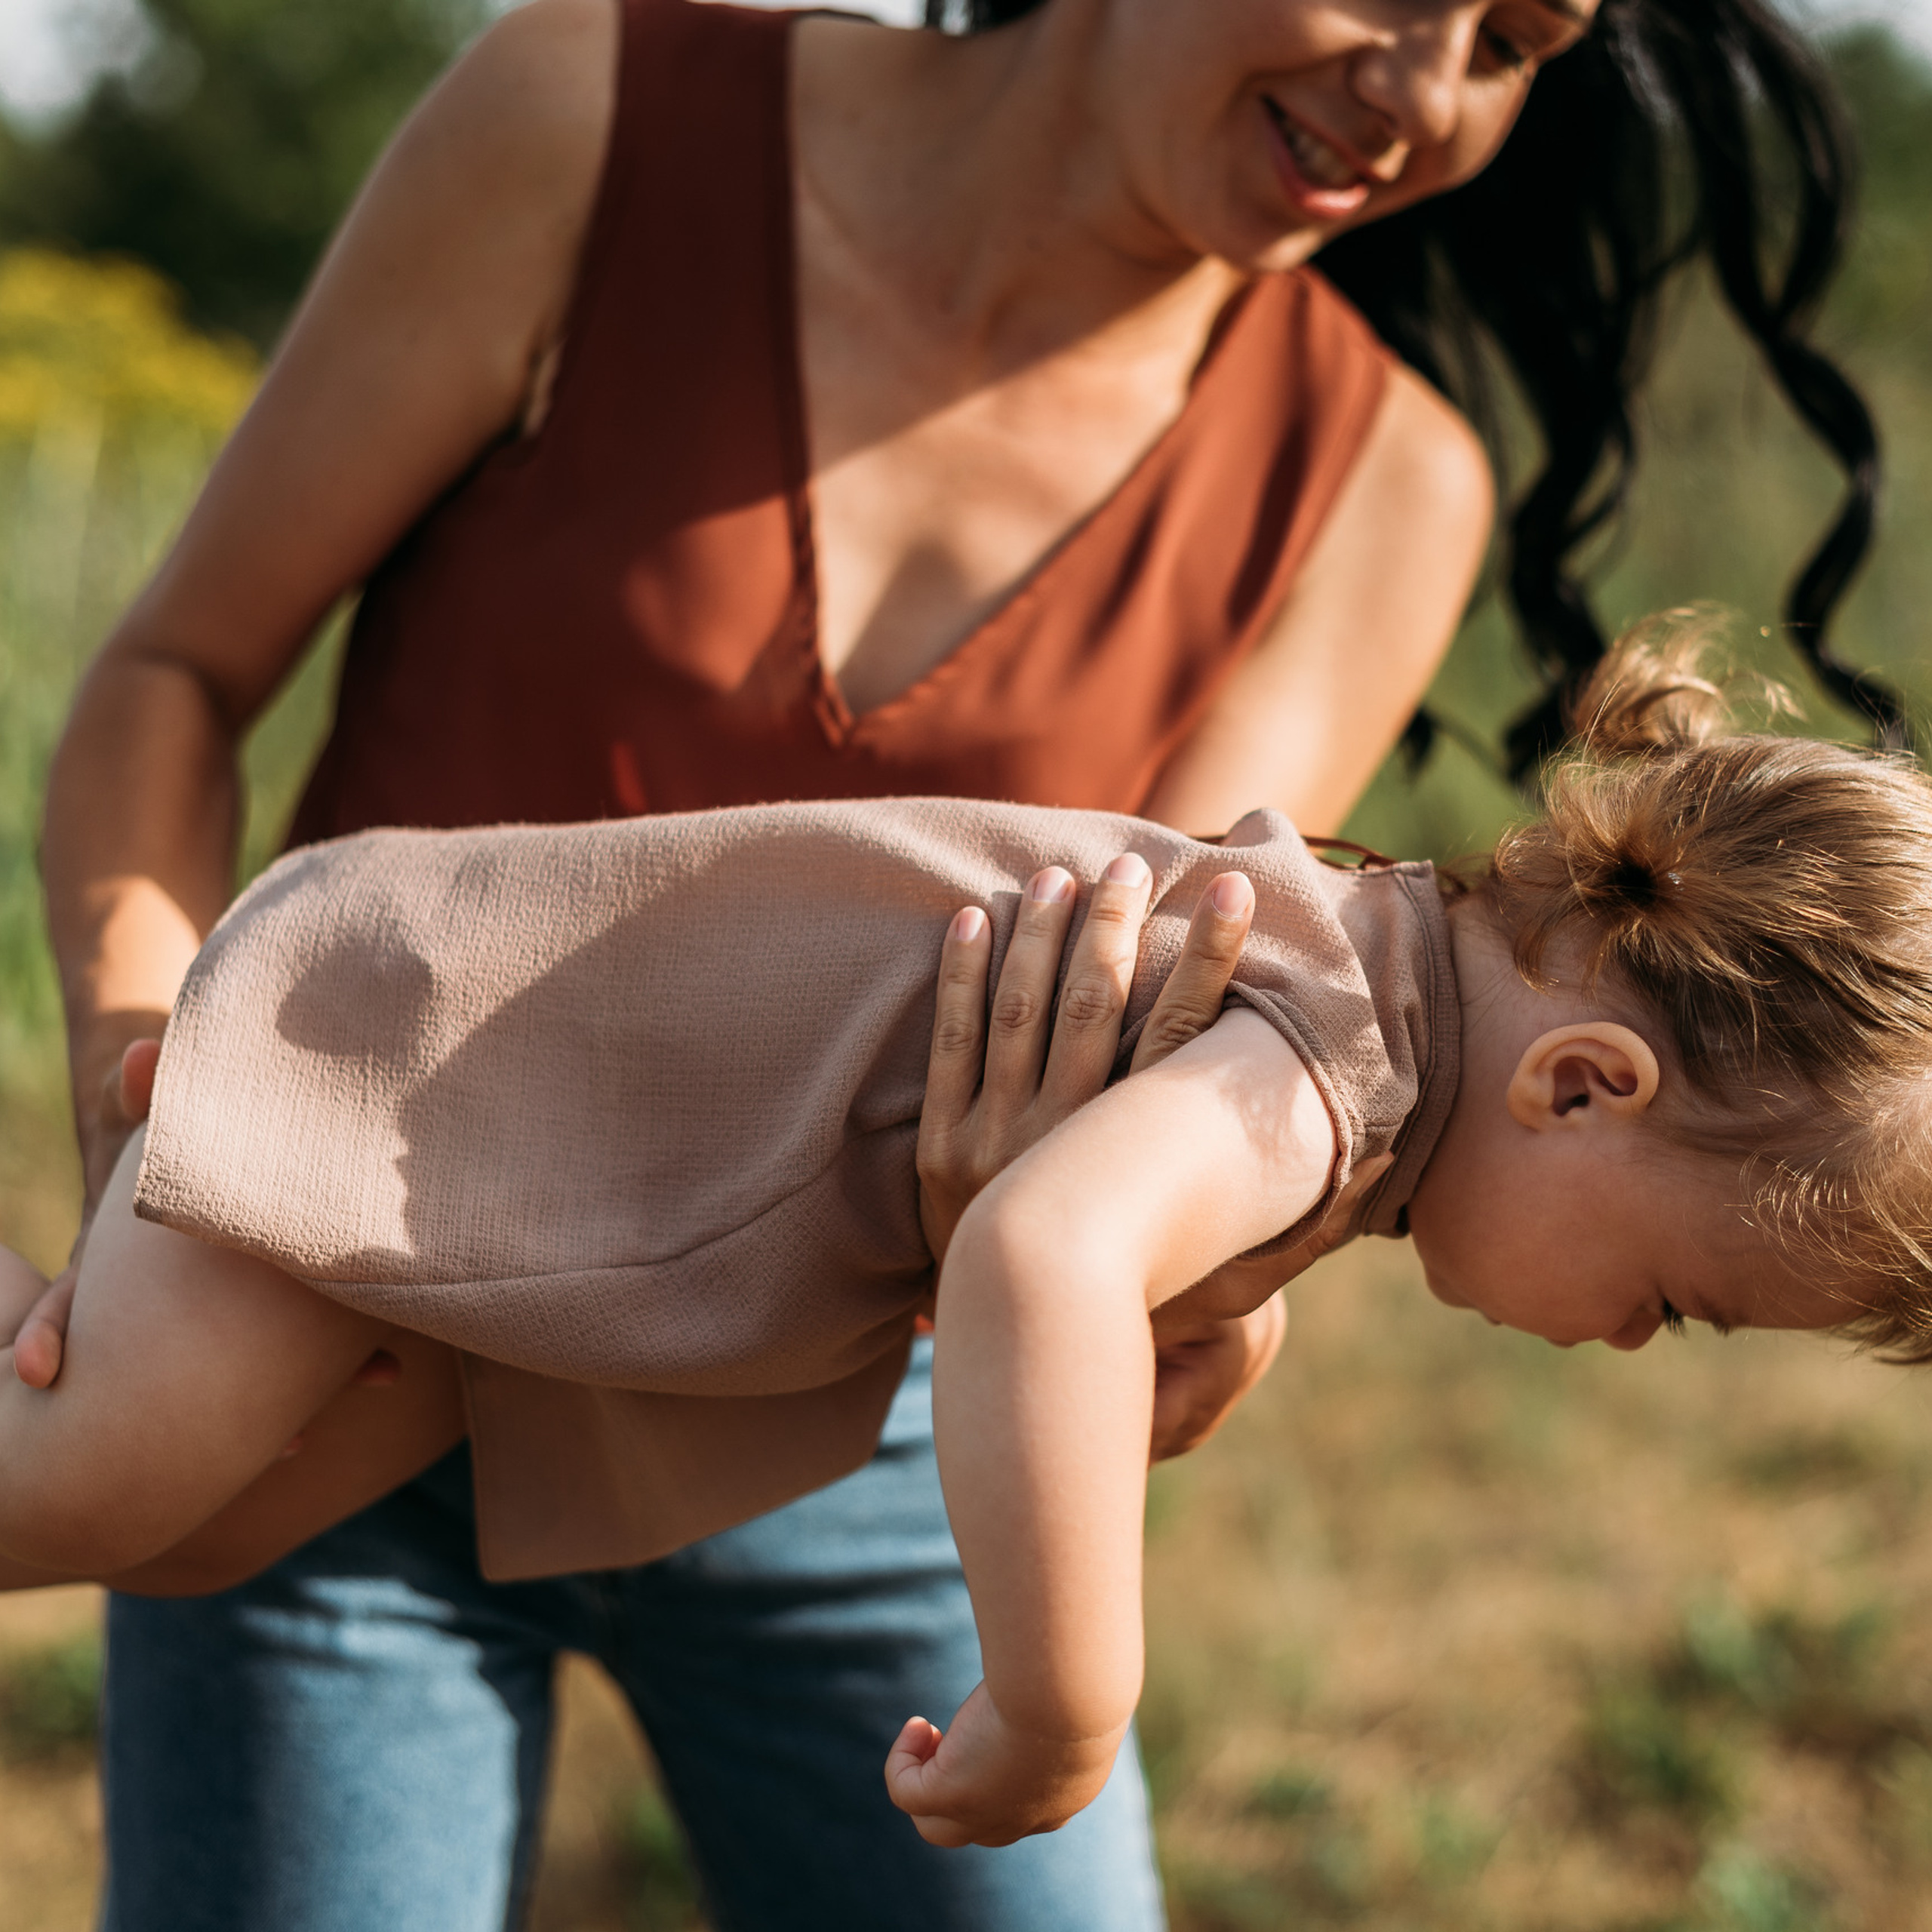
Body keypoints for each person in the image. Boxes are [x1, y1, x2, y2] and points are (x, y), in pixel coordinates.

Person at [20, 0, 1887, 1922]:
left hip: (872, 1424)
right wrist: (147, 1062)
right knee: (129, 1514)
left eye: (1510, 40)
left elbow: (1182, 1047)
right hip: (359, 1234)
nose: (1419, 92)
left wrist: (1214, 1305)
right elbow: (172, 678)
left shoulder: (1378, 479)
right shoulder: (599, 111)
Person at [1, 626, 1920, 1859]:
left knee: (223, 1518)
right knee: (77, 1484)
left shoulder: (1374, 1013)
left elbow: (1085, 1233)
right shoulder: (1334, 1054)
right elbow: (1040, 1259)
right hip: (434, 1068)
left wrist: (1191, 1307)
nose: (1622, 1342)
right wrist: (1065, 1694)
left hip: (535, 1185)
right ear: (1580, 1085)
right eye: (1672, 1303)